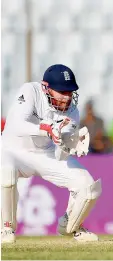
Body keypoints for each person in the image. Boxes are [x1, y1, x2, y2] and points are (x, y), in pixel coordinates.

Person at [1, 64, 101, 243]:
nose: (67, 97)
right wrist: (46, 129)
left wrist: (67, 146)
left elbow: (60, 156)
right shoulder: (30, 91)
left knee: (88, 186)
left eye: (70, 92)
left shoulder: (73, 112)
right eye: (62, 91)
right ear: (46, 88)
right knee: (6, 174)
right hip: (12, 150)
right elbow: (16, 124)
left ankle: (71, 226)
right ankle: (5, 228)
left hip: (45, 154)